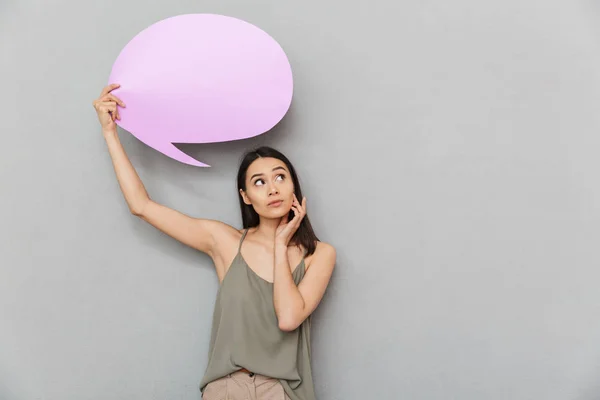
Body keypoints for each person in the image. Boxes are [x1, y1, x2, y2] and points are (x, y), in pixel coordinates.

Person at [92, 84, 337, 400]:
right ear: (246, 197)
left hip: (281, 390)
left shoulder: (320, 254)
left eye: (280, 177)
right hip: (226, 388)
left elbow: (288, 318)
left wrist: (280, 245)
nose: (273, 188)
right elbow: (142, 206)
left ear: (293, 186)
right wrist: (110, 133)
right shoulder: (224, 242)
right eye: (259, 182)